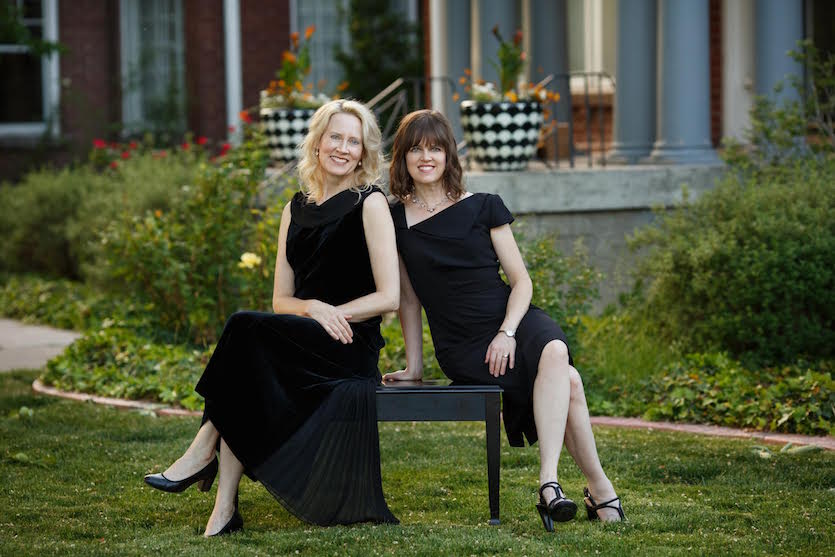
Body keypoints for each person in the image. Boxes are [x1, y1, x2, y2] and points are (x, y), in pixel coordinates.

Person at [143, 99, 400, 535]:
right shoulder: (293, 208)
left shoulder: (370, 203)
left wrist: (332, 313)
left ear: (363, 152)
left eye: (353, 141)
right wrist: (312, 308)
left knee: (245, 330)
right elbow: (282, 300)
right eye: (335, 137)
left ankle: (204, 451)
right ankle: (224, 509)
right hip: (301, 335)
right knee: (249, 356)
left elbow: (389, 295)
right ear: (317, 143)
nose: (342, 148)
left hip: (347, 344)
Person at [385, 110, 625, 531]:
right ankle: (600, 490)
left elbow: (522, 282)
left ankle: (548, 483)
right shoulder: (394, 220)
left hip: (510, 319)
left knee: (554, 349)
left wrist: (507, 333)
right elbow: (408, 299)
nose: (426, 157)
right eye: (416, 149)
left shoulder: (483, 206)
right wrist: (416, 365)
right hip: (462, 344)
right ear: (403, 157)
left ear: (449, 155)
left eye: (436, 148)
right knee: (568, 381)